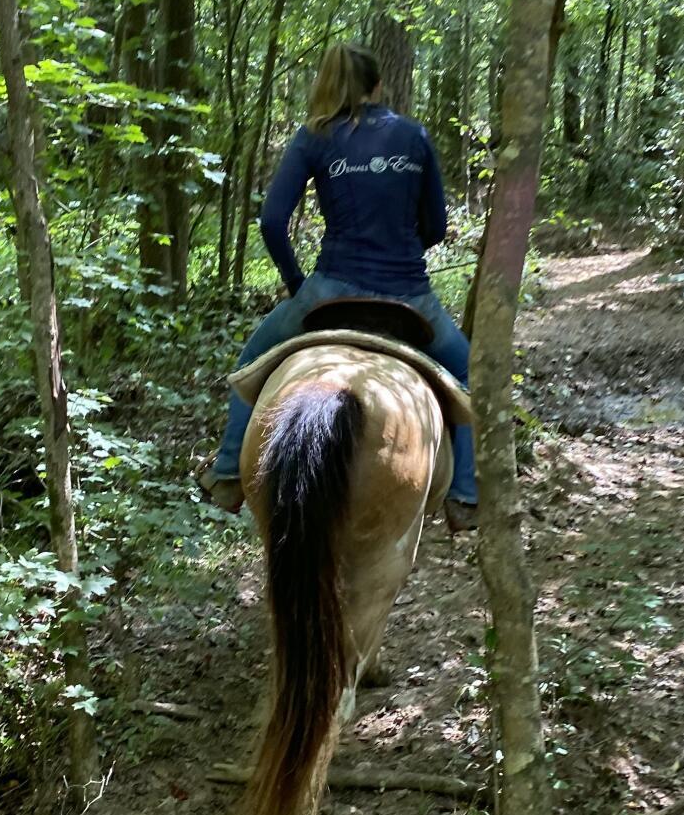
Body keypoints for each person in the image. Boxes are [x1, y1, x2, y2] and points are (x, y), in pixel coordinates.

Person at [201, 42, 477, 531]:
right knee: (470, 375)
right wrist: (400, 245)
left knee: (250, 365)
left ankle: (227, 473)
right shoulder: (414, 135)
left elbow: (272, 221)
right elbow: (436, 227)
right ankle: (466, 494)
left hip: (329, 289)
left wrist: (295, 283)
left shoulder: (315, 135)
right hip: (409, 296)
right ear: (378, 86)